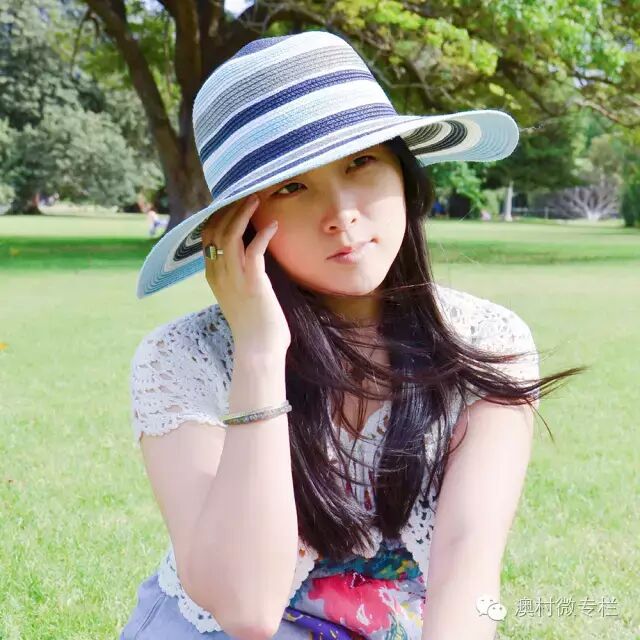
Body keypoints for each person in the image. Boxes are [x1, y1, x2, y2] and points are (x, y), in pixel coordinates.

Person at [120, 31, 584, 640]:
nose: (341, 214)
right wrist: (259, 352)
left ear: (404, 172)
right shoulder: (182, 358)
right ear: (239, 225)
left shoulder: (487, 341)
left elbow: (468, 569)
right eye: (291, 186)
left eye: (360, 162)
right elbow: (245, 610)